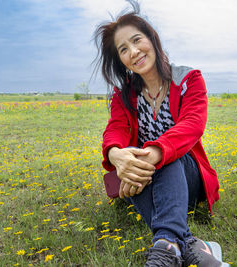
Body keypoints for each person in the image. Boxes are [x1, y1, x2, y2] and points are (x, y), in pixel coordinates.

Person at [94, 2, 224, 266]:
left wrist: (153, 154)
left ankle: (167, 248)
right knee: (137, 167)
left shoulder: (189, 79)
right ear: (121, 60)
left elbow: (192, 126)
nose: (133, 52)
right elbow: (115, 128)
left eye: (136, 40)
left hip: (187, 178)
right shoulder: (124, 95)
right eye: (123, 49)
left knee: (165, 157)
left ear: (151, 38)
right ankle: (179, 244)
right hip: (146, 179)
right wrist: (117, 155)